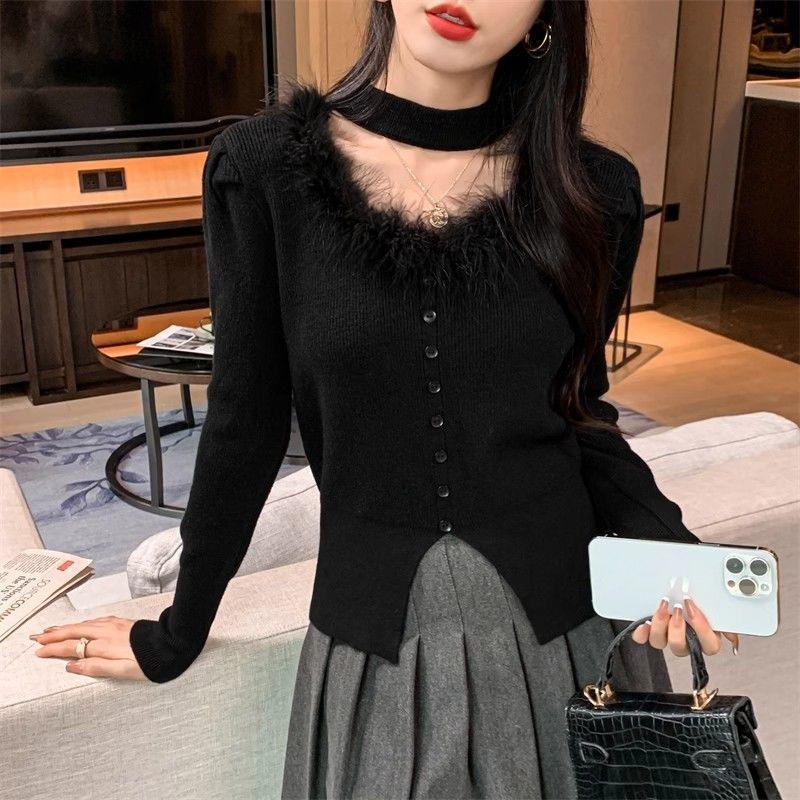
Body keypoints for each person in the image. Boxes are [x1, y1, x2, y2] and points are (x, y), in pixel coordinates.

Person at [30, 1, 739, 797]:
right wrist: (177, 631)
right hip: (375, 651)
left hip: (567, 643)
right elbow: (244, 421)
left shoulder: (595, 190)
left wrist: (666, 544)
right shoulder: (261, 169)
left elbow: (581, 412)